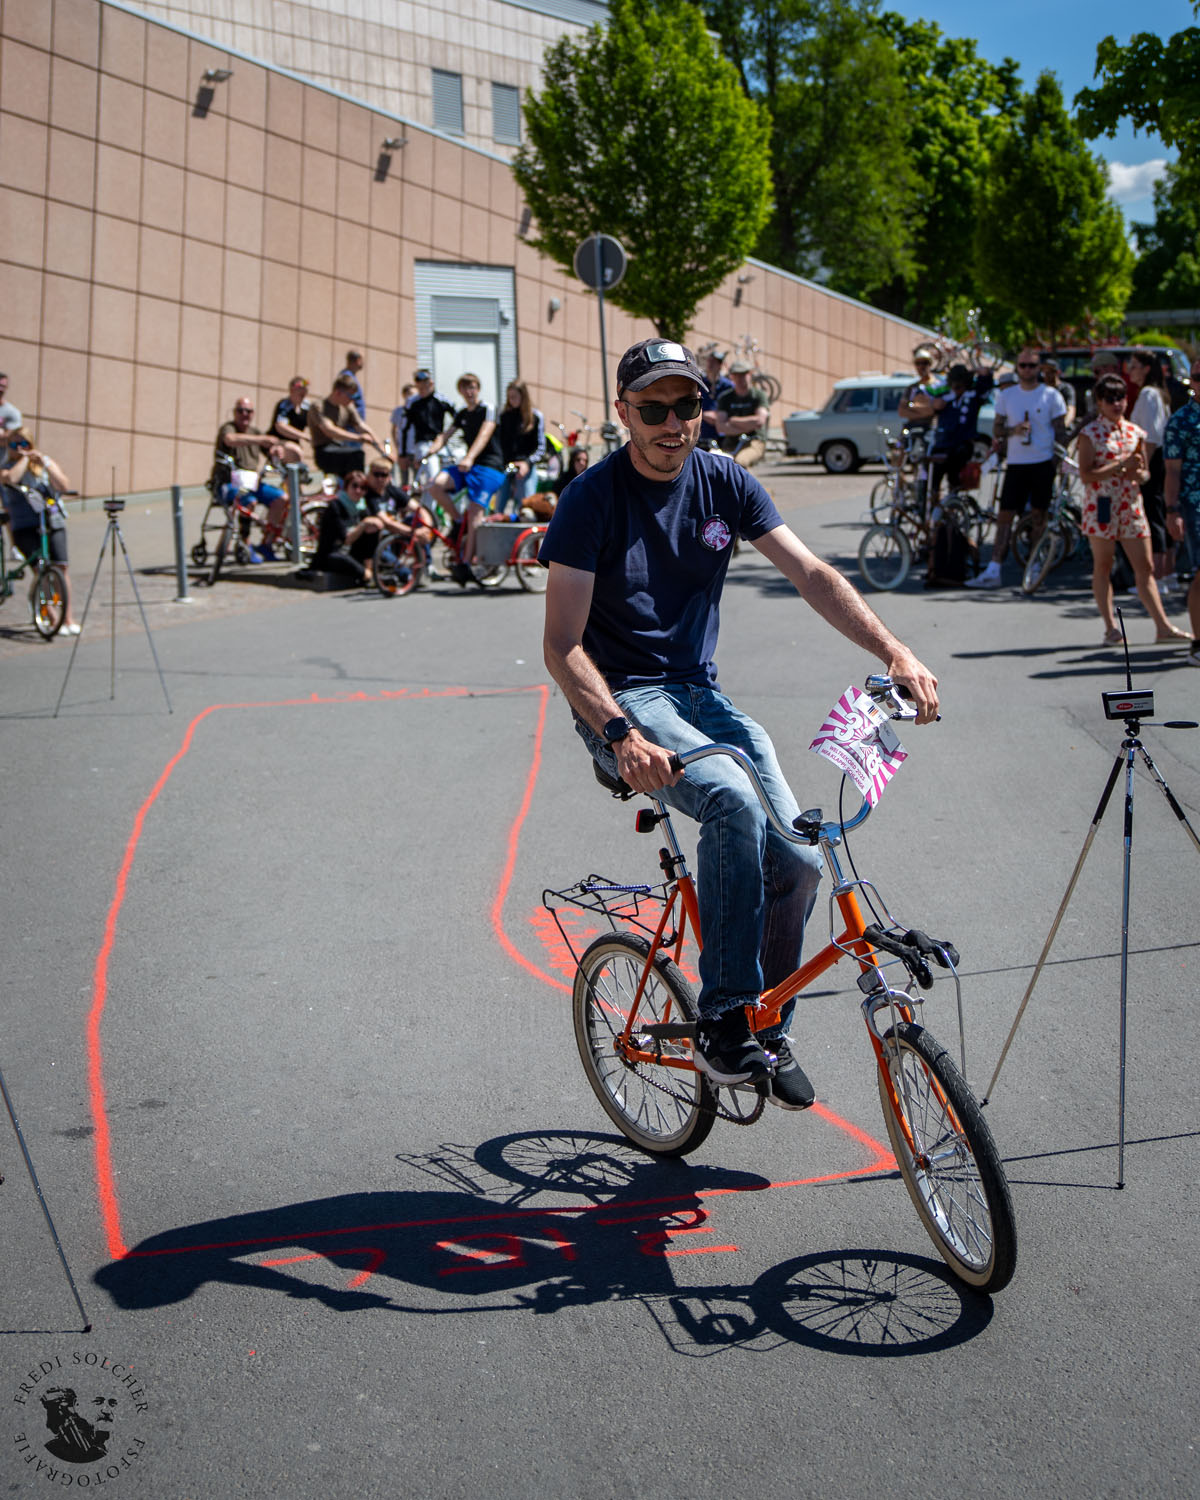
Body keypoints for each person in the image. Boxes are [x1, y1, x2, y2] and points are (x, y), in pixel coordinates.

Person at [539, 337, 938, 1104]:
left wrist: (895, 650)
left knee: (801, 861)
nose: (671, 422)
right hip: (625, 702)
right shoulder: (592, 500)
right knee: (730, 796)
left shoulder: (724, 481)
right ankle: (724, 1020)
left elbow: (814, 575)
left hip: (697, 693)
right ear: (623, 413)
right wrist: (621, 735)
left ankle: (765, 1024)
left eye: (685, 405)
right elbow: (561, 647)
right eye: (652, 408)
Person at [1077, 373, 1186, 647]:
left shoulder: (1135, 432)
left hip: (1130, 506)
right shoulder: (1089, 434)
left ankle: (1163, 627)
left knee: (1146, 567)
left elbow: (1144, 474)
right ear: (1099, 402)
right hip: (1101, 506)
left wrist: (1138, 473)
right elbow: (1086, 475)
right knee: (1103, 565)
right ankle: (1110, 628)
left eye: (1121, 398)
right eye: (1111, 399)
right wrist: (1119, 466)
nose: (1118, 404)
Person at [967, 346, 1067, 588]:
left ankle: (1035, 566)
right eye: (1022, 365)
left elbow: (1061, 432)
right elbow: (997, 429)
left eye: (1032, 366)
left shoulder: (1051, 395)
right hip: (1016, 463)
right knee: (1004, 517)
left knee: (1038, 516)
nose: (1027, 370)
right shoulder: (1007, 396)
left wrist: (1055, 461)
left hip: (1042, 463)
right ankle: (994, 569)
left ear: (1039, 368)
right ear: (1017, 368)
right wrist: (1014, 431)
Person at [424, 372, 506, 582]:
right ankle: (459, 521)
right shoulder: (462, 414)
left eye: (473, 387)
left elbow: (484, 434)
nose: (469, 392)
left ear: (478, 389)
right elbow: (445, 435)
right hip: (469, 466)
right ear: (460, 391)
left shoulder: (488, 408)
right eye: (465, 388)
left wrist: (469, 457)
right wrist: (430, 451)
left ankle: (467, 562)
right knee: (435, 485)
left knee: (475, 513)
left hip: (489, 467)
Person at [0, 426, 80, 632]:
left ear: (32, 444)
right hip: (25, 525)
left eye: (24, 444)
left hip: (52, 520)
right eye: (14, 444)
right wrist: (24, 458)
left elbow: (63, 485)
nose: (20, 448)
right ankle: (53, 619)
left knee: (61, 567)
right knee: (40, 568)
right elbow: (10, 479)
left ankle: (68, 618)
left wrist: (44, 462)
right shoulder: (6, 466)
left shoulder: (45, 464)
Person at [210, 396, 289, 556]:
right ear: (234, 412)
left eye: (249, 411)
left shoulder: (255, 432)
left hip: (252, 482)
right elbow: (230, 439)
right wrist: (261, 439)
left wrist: (276, 450)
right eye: (241, 410)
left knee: (282, 499)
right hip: (229, 482)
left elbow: (270, 449)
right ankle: (245, 544)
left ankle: (267, 543)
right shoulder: (229, 428)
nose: (245, 414)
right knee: (249, 500)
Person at [908, 363, 993, 504]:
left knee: (955, 472)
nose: (956, 388)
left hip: (963, 444)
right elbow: (920, 396)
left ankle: (953, 503)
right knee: (931, 473)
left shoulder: (973, 396)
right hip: (943, 443)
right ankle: (932, 507)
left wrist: (980, 371)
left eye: (959, 385)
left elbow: (986, 384)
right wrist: (932, 404)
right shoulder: (944, 396)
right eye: (953, 384)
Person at [1125, 349, 1172, 587]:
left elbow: (1151, 437)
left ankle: (1158, 577)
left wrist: (1142, 467)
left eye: (1133, 366)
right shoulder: (1156, 393)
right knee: (1158, 512)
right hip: (1156, 458)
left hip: (1152, 458)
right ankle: (1166, 574)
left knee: (1152, 515)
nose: (1129, 371)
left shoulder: (1148, 394)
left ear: (1145, 368)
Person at [1165, 358, 1200, 666]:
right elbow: (1172, 471)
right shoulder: (1181, 421)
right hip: (1194, 505)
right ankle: (1198, 644)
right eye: (1198, 376)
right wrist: (1172, 509)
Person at [308, 374, 386, 480]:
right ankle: (356, 489)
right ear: (338, 392)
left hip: (341, 448)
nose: (352, 400)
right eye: (350, 396)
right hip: (324, 452)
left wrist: (383, 450)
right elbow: (329, 430)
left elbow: (362, 427)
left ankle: (354, 489)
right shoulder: (318, 406)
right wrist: (358, 438)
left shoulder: (347, 407)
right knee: (356, 455)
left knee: (358, 457)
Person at [398, 368, 455, 480]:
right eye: (419, 383)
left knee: (449, 475)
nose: (423, 386)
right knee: (432, 474)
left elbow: (458, 418)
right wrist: (402, 454)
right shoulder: (412, 402)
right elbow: (403, 428)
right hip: (422, 444)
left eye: (425, 382)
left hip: (440, 443)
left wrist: (447, 435)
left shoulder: (441, 399)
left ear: (431, 382)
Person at [498, 379, 548, 504]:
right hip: (507, 465)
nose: (512, 400)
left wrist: (527, 463)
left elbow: (541, 448)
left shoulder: (535, 416)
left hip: (526, 465)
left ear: (523, 396)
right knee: (499, 500)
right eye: (510, 397)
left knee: (526, 502)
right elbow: (500, 444)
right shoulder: (504, 416)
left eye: (515, 396)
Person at [713, 359, 769, 467]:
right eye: (736, 375)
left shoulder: (758, 395)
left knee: (740, 462)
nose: (740, 378)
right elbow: (720, 426)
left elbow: (759, 421)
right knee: (718, 463)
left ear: (750, 374)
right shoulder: (725, 398)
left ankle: (747, 484)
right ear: (731, 377)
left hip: (754, 441)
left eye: (743, 374)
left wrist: (733, 420)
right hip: (730, 442)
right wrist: (748, 425)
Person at [270, 376, 314, 463]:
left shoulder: (306, 407)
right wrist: (303, 435)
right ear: (292, 391)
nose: (303, 396)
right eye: (300, 393)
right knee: (296, 453)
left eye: (304, 393)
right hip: (278, 441)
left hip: (295, 443)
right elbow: (280, 426)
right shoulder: (284, 405)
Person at [698, 346, 731, 449]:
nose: (711, 364)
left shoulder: (728, 386)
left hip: (722, 436)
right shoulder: (699, 384)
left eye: (715, 362)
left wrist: (719, 416)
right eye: (709, 361)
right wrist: (703, 414)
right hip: (701, 434)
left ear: (720, 365)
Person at [1039, 358, 1076, 428]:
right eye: (1044, 372)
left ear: (1057, 372)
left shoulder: (1066, 389)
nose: (1046, 375)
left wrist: (1063, 427)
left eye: (1050, 372)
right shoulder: (1041, 390)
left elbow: (1071, 410)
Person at [390, 382, 417, 477]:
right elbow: (394, 429)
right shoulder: (398, 411)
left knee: (416, 477)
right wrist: (397, 445)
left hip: (415, 449)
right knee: (403, 477)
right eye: (409, 394)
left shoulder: (419, 410)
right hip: (403, 450)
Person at [337, 349, 366, 418]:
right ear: (358, 361)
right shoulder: (346, 376)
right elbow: (345, 399)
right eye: (362, 360)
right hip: (350, 423)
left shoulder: (351, 376)